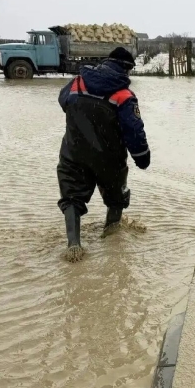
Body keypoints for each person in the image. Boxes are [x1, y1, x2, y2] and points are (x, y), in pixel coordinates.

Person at [56, 47, 150, 261]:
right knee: (117, 198)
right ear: (126, 70)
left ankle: (74, 246)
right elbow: (133, 131)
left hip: (73, 154)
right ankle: (112, 241)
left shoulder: (76, 84)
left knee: (71, 196)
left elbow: (63, 102)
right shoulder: (124, 95)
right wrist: (142, 157)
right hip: (109, 159)